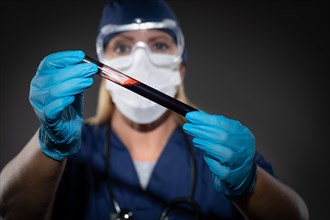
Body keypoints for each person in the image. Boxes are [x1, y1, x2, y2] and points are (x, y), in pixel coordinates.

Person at [0, 0, 309, 219]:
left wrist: (248, 183)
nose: (141, 59)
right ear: (102, 68)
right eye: (122, 46)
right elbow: (11, 210)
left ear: (181, 66)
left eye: (159, 45)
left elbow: (296, 215)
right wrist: (50, 145)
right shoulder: (78, 149)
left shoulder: (220, 150)